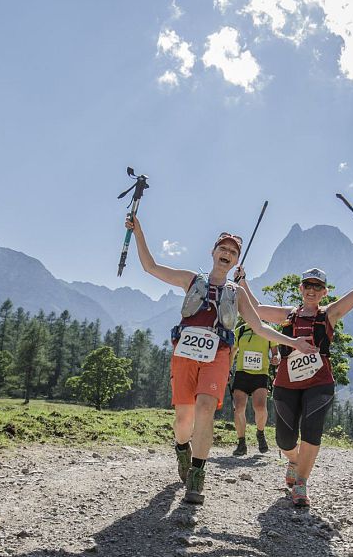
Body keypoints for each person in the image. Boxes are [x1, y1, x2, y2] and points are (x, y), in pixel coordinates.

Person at [123, 214, 317, 506]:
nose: (227, 254)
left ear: (236, 260)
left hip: (218, 355)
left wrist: (294, 343)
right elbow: (150, 266)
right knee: (183, 419)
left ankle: (197, 477)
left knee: (204, 409)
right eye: (223, 249)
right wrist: (138, 231)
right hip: (185, 352)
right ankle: (181, 447)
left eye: (233, 252)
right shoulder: (191, 280)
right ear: (213, 253)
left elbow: (260, 327)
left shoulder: (236, 293)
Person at [240, 251, 353, 507]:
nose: (312, 290)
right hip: (286, 382)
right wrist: (242, 281)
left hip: (319, 382)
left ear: (324, 292)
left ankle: (301, 483)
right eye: (308, 286)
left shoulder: (329, 314)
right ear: (301, 288)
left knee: (311, 429)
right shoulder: (287, 315)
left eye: (318, 287)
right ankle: (293, 460)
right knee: (284, 440)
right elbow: (255, 309)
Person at [227, 290, 276, 456]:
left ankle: (260, 433)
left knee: (260, 407)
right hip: (242, 374)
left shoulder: (268, 330)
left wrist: (276, 358)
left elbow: (275, 352)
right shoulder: (240, 331)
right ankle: (241, 443)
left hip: (260, 375)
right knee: (238, 409)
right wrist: (227, 369)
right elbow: (232, 352)